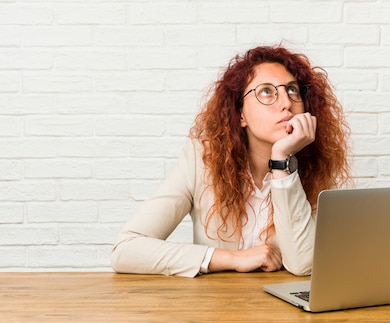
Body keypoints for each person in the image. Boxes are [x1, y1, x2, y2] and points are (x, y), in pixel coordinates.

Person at [110, 45, 352, 278]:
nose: (286, 102)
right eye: (266, 91)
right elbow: (127, 249)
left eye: (292, 90)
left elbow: (304, 265)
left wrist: (282, 162)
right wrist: (232, 258)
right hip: (218, 310)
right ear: (241, 114)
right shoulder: (201, 160)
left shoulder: (315, 166)